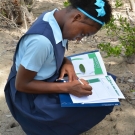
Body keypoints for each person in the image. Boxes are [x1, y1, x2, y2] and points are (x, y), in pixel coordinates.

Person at [4, 0, 113, 134]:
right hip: (28, 98)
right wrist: (66, 87)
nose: (79, 39)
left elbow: (51, 50)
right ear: (77, 17)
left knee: (106, 82)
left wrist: (65, 61)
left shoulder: (55, 17)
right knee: (93, 104)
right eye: (83, 33)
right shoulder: (40, 42)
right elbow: (21, 85)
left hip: (44, 78)